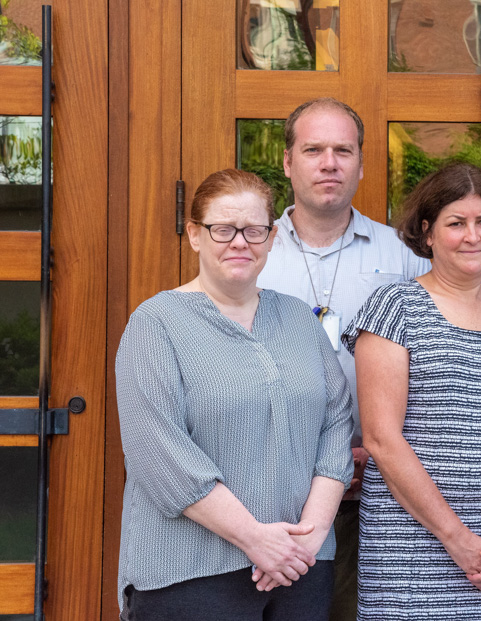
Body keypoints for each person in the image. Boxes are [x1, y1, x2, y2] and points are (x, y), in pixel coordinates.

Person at [116, 169, 353, 620]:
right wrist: (256, 540)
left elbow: (336, 422)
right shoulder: (156, 323)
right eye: (223, 229)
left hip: (301, 569)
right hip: (189, 573)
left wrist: (308, 537)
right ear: (194, 235)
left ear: (272, 236)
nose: (239, 242)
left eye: (254, 230)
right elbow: (158, 454)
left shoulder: (300, 319)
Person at [342, 163, 481, 620]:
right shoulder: (393, 308)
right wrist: (457, 539)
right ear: (427, 232)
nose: (472, 236)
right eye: (455, 223)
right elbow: (382, 439)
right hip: (411, 556)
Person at [256, 97, 431, 621]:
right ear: (288, 162)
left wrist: (376, 452)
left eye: (342, 150)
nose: (329, 163)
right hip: (271, 490)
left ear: (361, 163)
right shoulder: (252, 252)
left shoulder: (402, 256)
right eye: (313, 150)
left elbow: (427, 368)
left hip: (378, 487)